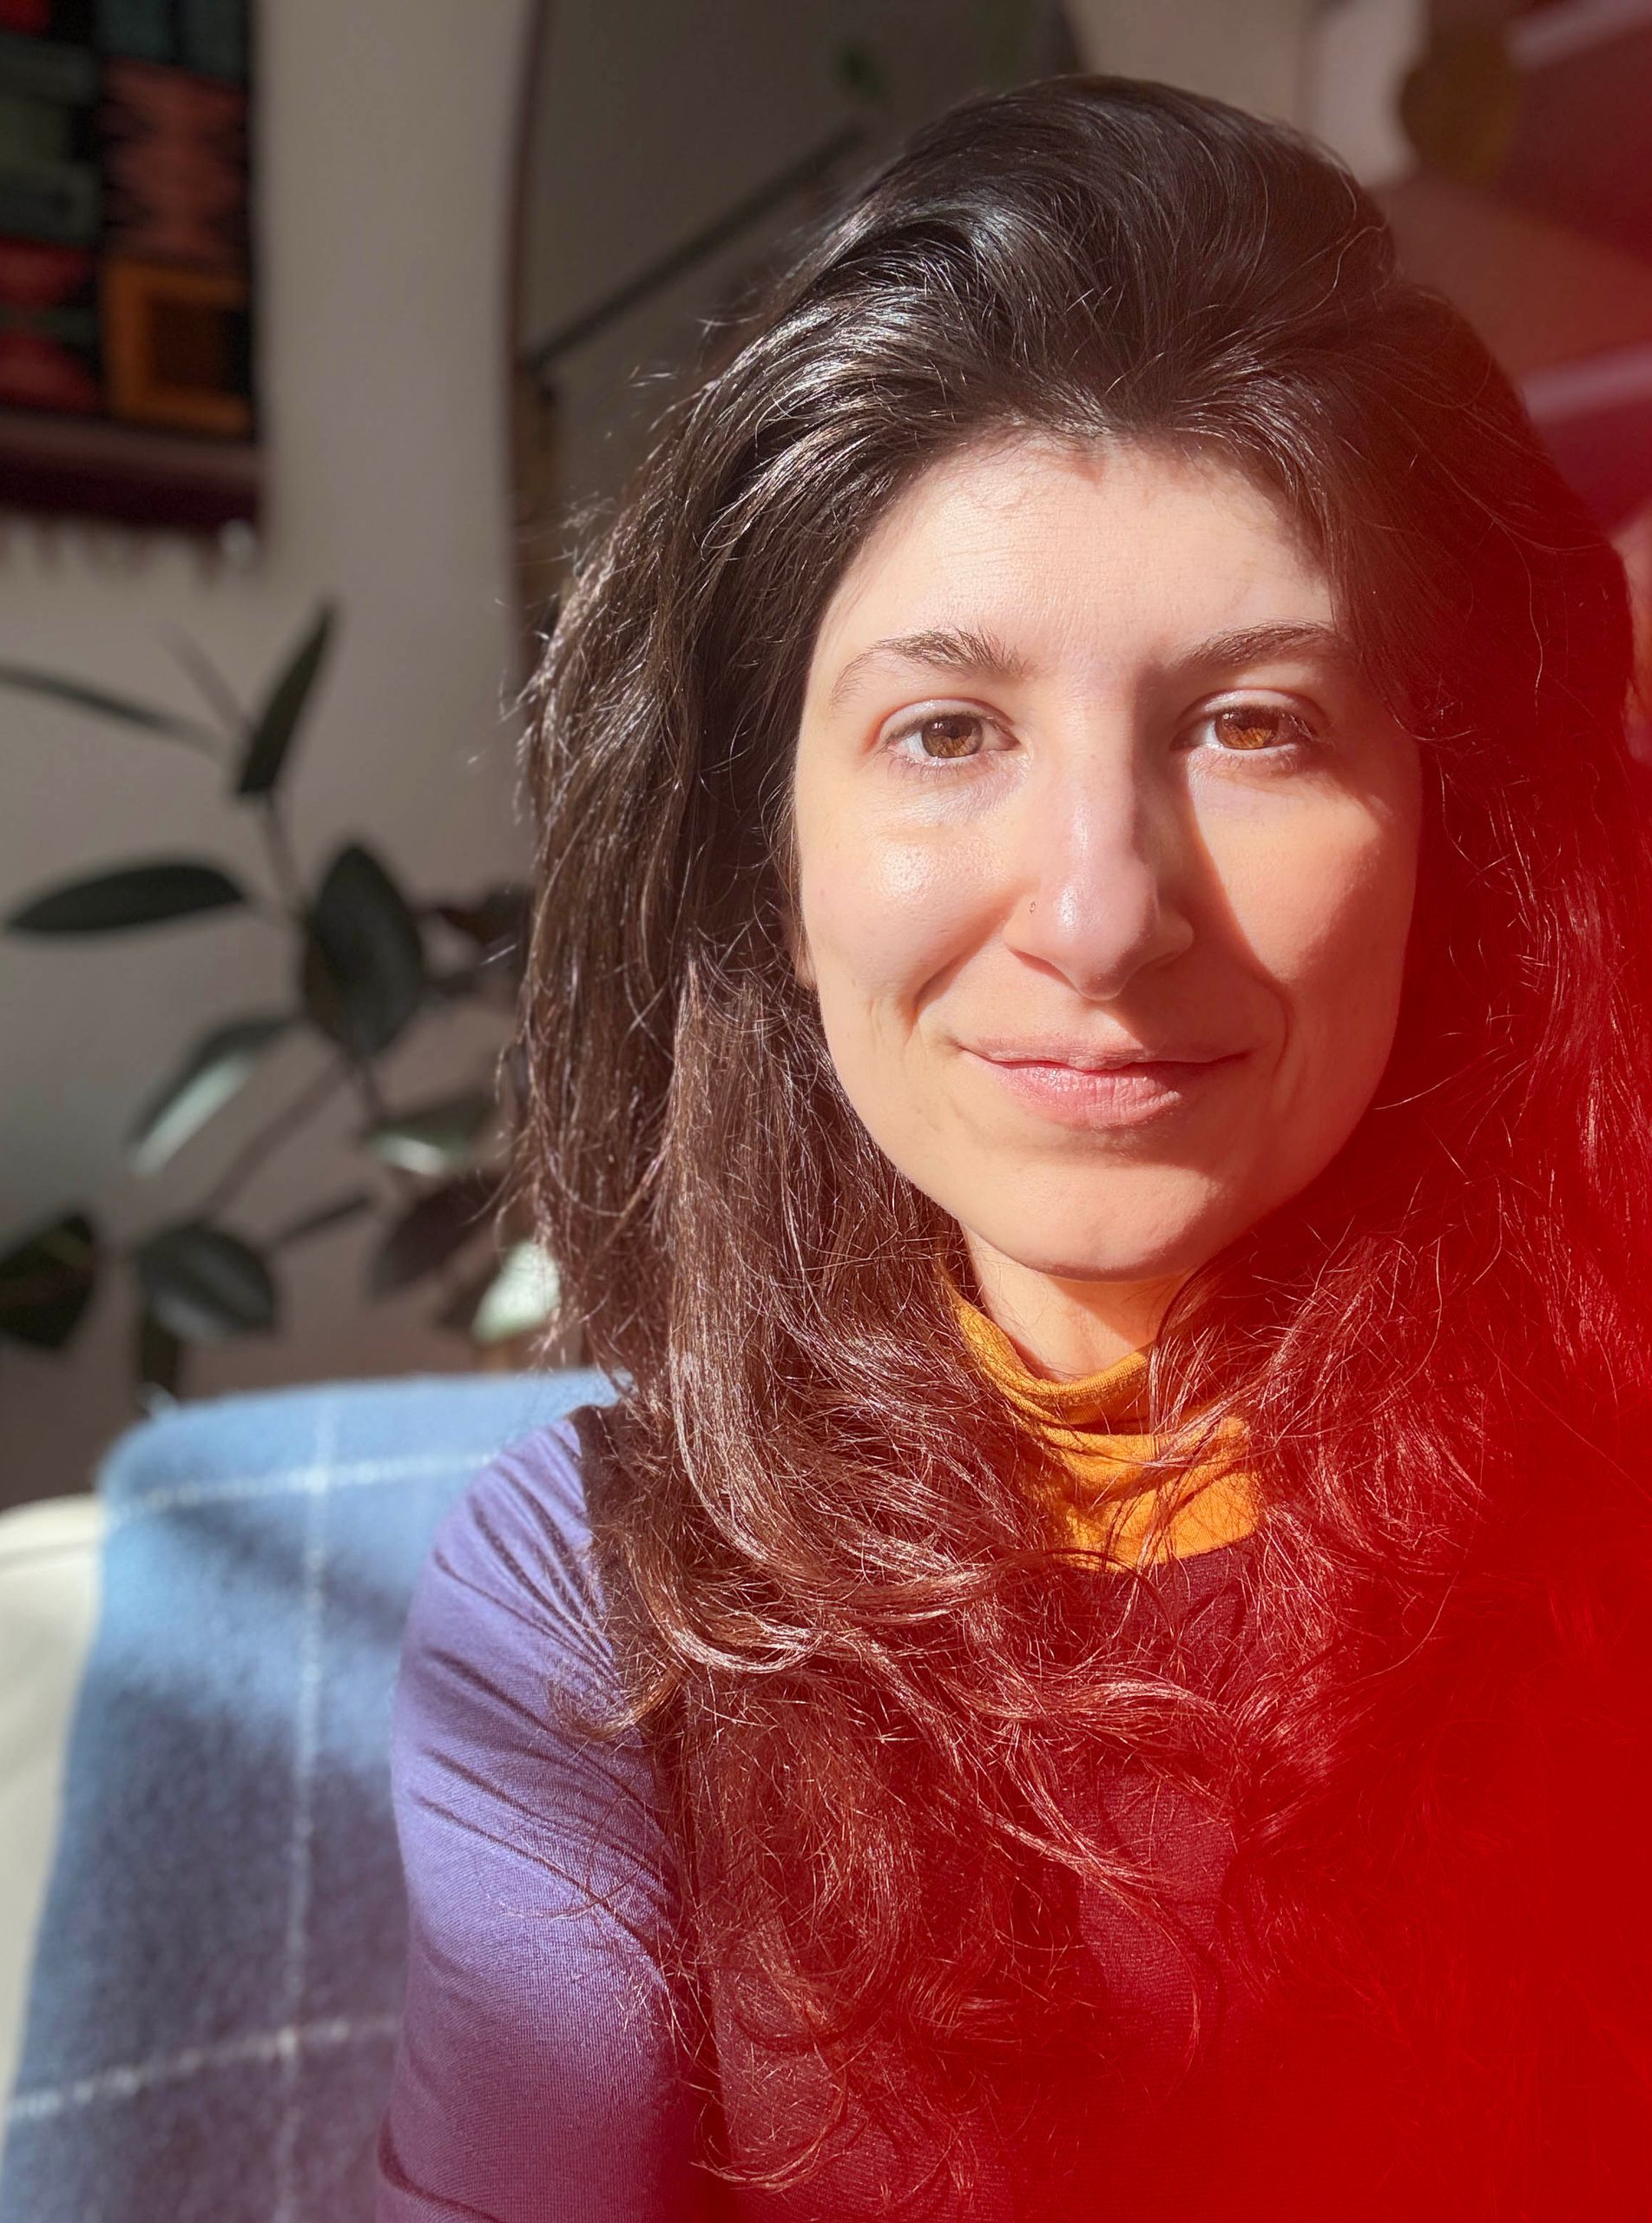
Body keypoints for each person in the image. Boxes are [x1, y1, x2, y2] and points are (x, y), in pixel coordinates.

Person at [376, 75, 1652, 2222]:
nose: (1098, 911)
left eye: (1253, 721)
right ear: (772, 863)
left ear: (1456, 837)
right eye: (947, 730)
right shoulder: (601, 1617)